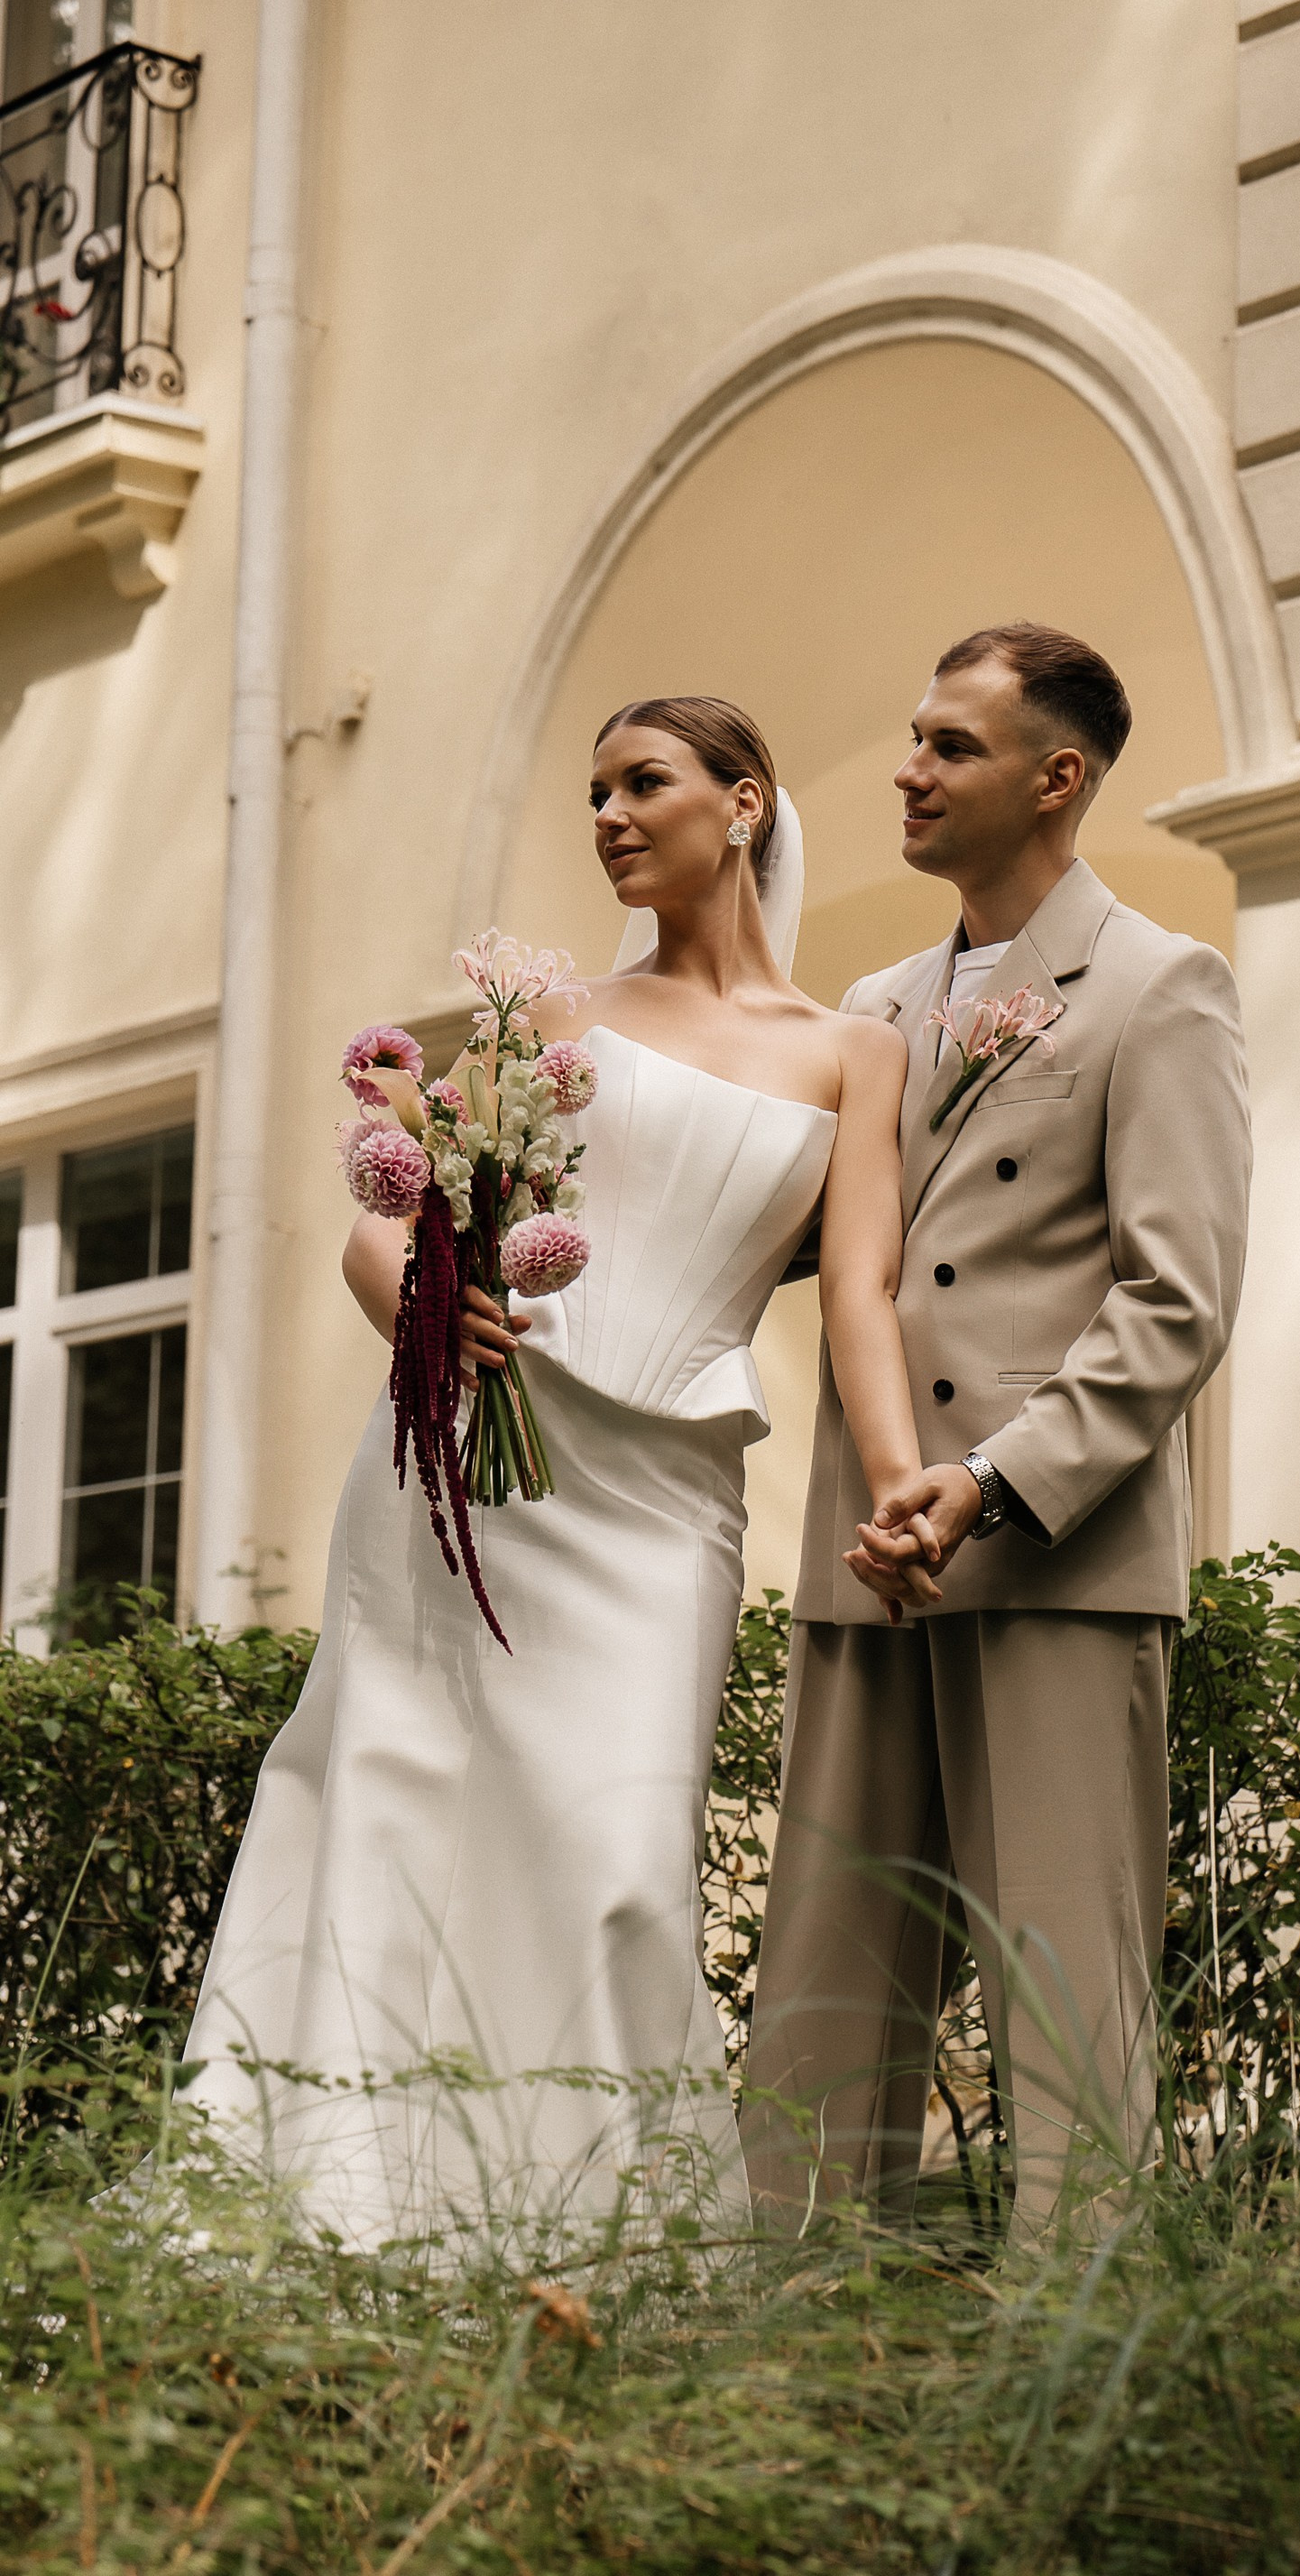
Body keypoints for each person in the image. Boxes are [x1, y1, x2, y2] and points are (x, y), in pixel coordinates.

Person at [181, 698, 922, 2251]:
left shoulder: (861, 1056)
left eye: (642, 782)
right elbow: (386, 1222)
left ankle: (593, 2241)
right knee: (396, 1804)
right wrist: (425, 1311)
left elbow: (860, 1293)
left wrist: (903, 1484)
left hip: (667, 1508)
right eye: (592, 791)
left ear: (745, 805)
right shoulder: (551, 1021)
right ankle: (343, 2217)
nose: (607, 813)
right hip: (472, 1467)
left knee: (619, 1859)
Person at [742, 623, 1251, 2233]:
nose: (907, 769)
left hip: (1053, 1551)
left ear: (1058, 777)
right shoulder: (873, 1004)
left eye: (950, 746)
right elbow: (808, 1249)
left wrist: (996, 1480)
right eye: (910, 736)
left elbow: (1178, 1299)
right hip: (870, 1549)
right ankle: (797, 2351)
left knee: (1065, 2002)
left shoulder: (1164, 986)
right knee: (822, 1992)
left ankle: (1068, 2384)